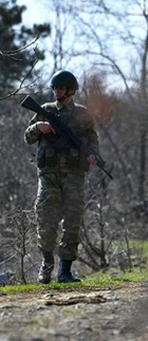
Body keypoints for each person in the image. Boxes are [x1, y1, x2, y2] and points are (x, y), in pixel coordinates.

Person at [24, 70, 99, 284]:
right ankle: (46, 266)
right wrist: (38, 127)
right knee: (46, 220)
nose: (57, 91)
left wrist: (93, 156)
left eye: (61, 88)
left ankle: (64, 271)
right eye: (55, 88)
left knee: (72, 222)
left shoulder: (83, 114)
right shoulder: (45, 110)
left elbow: (92, 140)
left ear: (71, 90)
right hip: (48, 176)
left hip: (75, 176)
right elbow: (28, 137)